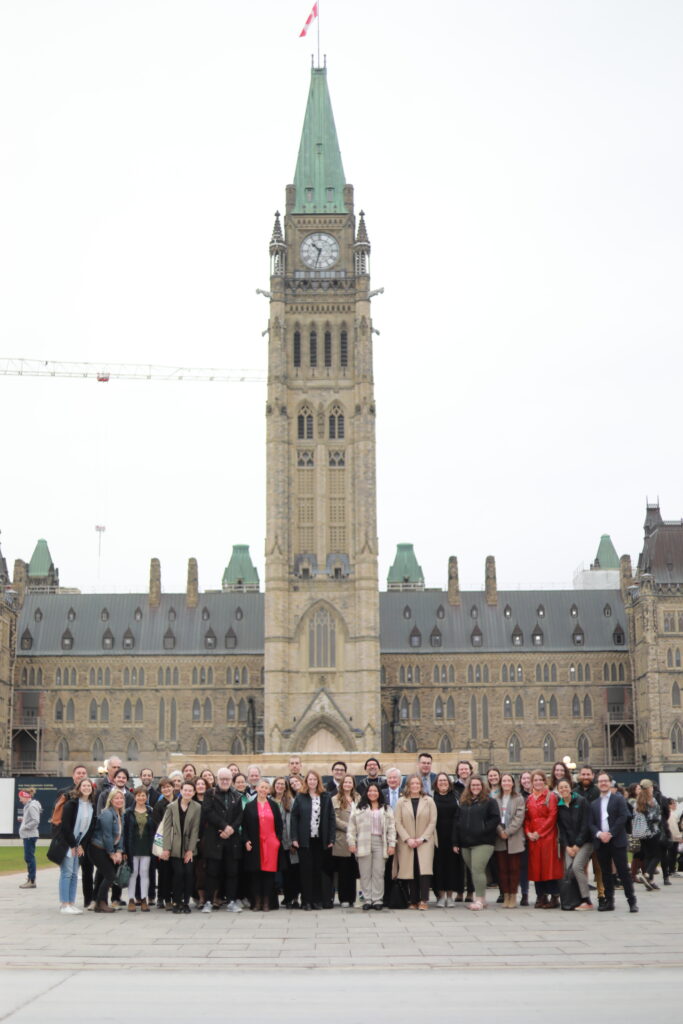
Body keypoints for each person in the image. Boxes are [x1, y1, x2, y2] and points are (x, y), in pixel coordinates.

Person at [588, 770, 638, 913]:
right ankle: (609, 901)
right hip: (601, 842)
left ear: (610, 783)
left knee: (623, 872)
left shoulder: (618, 799)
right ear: (597, 784)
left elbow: (623, 817)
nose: (603, 783)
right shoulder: (594, 804)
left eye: (605, 781)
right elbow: (590, 823)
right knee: (605, 873)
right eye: (600, 781)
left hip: (616, 841)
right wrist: (599, 834)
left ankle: (632, 901)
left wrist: (610, 833)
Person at [452, 775, 500, 911]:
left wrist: (483, 830)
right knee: (474, 870)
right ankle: (483, 899)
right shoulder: (464, 802)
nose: (475, 787)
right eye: (473, 785)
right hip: (466, 843)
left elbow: (495, 819)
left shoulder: (490, 801)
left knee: (478, 869)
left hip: (483, 842)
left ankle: (478, 899)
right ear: (469, 787)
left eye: (478, 785)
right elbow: (457, 822)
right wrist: (455, 842)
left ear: (482, 786)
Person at [290, 770, 335, 910]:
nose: (312, 782)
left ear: (318, 781)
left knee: (317, 871)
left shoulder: (326, 797)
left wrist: (331, 838)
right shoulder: (300, 797)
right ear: (306, 781)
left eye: (315, 779)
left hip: (320, 840)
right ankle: (306, 900)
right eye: (310, 779)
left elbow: (331, 818)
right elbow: (294, 818)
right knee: (305, 871)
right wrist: (294, 838)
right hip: (305, 840)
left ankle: (317, 900)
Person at [347, 782, 395, 911]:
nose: (372, 793)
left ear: (379, 793)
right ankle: (367, 899)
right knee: (365, 873)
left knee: (379, 872)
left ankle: (377, 899)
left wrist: (392, 844)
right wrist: (351, 843)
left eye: (375, 791)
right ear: (366, 793)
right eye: (370, 791)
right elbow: (351, 828)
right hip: (363, 842)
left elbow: (391, 828)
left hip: (380, 842)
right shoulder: (358, 808)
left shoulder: (386, 808)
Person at [202, 768, 243, 913]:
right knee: (212, 872)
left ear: (231, 780)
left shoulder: (237, 795)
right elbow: (208, 812)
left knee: (232, 872)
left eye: (227, 779)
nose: (225, 781)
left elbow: (240, 815)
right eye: (222, 779)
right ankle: (208, 901)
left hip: (232, 840)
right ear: (217, 779)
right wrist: (224, 826)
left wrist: (232, 828)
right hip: (215, 838)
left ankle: (231, 901)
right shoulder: (210, 794)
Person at [394, 773, 437, 910]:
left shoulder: (428, 800)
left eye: (417, 784)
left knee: (423, 870)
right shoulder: (401, 801)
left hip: (425, 840)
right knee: (410, 870)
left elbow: (433, 821)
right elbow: (397, 822)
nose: (415, 786)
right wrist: (407, 839)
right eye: (412, 784)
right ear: (408, 785)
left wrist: (422, 838)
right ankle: (413, 900)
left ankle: (423, 900)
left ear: (421, 785)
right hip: (407, 841)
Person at [160, 780, 201, 913]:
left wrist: (190, 850)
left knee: (189, 874)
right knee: (178, 874)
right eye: (185, 790)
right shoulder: (171, 807)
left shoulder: (197, 807)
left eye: (190, 790)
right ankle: (176, 901)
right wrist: (166, 848)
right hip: (175, 847)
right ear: (181, 791)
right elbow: (166, 829)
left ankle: (186, 902)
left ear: (194, 793)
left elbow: (195, 829)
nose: (188, 792)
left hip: (188, 846)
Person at [242, 778, 283, 911]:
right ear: (257, 788)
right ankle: (257, 901)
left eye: (266, 788)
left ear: (269, 790)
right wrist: (246, 840)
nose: (263, 790)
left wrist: (277, 841)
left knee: (268, 874)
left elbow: (279, 826)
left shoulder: (274, 805)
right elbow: (245, 826)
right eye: (261, 787)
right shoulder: (249, 806)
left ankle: (267, 902)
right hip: (255, 843)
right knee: (255, 874)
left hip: (271, 844)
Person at [524, 770, 563, 908]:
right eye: (535, 780)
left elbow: (552, 817)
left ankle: (554, 896)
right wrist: (528, 832)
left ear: (544, 781)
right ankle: (541, 896)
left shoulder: (550, 796)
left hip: (548, 837)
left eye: (540, 780)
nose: (538, 782)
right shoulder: (529, 798)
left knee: (549, 867)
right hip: (533, 838)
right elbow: (527, 818)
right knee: (536, 868)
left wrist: (539, 833)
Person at [57, 777, 97, 913]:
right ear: (79, 788)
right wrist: (73, 845)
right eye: (84, 785)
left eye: (89, 786)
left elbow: (90, 829)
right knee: (67, 873)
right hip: (68, 843)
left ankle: (71, 903)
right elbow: (65, 827)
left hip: (79, 843)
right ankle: (64, 904)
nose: (87, 788)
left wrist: (81, 846)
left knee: (74, 874)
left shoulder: (92, 806)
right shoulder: (71, 804)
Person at [556, 778, 593, 910]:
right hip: (569, 845)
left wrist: (577, 845)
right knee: (568, 872)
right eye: (561, 788)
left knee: (577, 867)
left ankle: (586, 900)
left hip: (585, 842)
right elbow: (562, 830)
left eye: (566, 787)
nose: (564, 789)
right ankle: (574, 899)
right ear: (558, 790)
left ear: (570, 788)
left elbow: (586, 825)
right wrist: (566, 846)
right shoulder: (559, 806)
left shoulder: (581, 801)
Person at [89, 788, 125, 912]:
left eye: (121, 798)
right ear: (111, 800)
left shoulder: (120, 814)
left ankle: (100, 904)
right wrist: (111, 853)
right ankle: (100, 902)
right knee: (110, 875)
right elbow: (107, 835)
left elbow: (121, 835)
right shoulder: (107, 813)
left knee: (103, 875)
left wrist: (119, 851)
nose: (119, 800)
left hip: (108, 849)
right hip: (97, 848)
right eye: (116, 798)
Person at [494, 773, 526, 908]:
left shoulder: (518, 798)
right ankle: (506, 894)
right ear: (501, 783)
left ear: (513, 783)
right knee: (502, 869)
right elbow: (494, 817)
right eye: (504, 781)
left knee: (514, 869)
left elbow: (519, 818)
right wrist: (500, 831)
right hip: (500, 837)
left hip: (514, 837)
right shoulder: (496, 799)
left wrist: (508, 831)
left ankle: (513, 895)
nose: (506, 783)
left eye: (509, 781)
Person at [123, 785, 155, 911]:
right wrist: (124, 850)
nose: (141, 798)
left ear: (146, 797)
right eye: (138, 795)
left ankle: (143, 898)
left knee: (144, 872)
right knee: (133, 873)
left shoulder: (151, 811)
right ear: (134, 797)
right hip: (133, 847)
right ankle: (131, 899)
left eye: (143, 795)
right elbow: (125, 833)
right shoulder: (128, 812)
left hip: (147, 847)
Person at [331, 773, 358, 907]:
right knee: (343, 871)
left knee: (354, 870)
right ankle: (344, 898)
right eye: (345, 782)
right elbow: (334, 818)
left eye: (350, 782)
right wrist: (349, 827)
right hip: (342, 839)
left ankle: (353, 898)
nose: (347, 784)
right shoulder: (335, 799)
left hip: (358, 839)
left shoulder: (358, 797)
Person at [272, 777, 299, 908]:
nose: (280, 786)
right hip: (273, 841)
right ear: (274, 785)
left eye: (283, 784)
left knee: (290, 871)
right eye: (278, 784)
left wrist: (294, 840)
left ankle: (292, 898)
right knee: (276, 871)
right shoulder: (269, 800)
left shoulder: (291, 801)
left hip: (287, 841)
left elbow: (294, 821)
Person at [432, 772, 459, 907]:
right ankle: (441, 896)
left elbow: (458, 817)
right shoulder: (432, 797)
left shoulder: (456, 796)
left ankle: (450, 896)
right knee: (439, 867)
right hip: (437, 837)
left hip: (452, 837)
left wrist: (456, 840)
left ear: (449, 783)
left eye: (445, 781)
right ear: (436, 783)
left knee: (452, 867)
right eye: (440, 781)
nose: (443, 783)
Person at [633, 779, 662, 891]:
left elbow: (635, 815)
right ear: (649, 788)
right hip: (652, 832)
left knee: (648, 855)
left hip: (641, 832)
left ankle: (650, 881)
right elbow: (656, 817)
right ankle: (648, 874)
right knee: (657, 855)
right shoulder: (652, 800)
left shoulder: (638, 800)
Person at [152, 777, 174, 909]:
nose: (166, 789)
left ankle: (173, 896)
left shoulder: (179, 801)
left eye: (168, 786)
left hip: (177, 841)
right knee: (164, 872)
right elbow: (157, 826)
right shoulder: (159, 806)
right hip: (164, 841)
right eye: (163, 787)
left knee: (174, 871)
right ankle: (164, 898)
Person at [17, 788, 42, 890]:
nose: (20, 800)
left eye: (20, 797)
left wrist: (25, 826)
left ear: (25, 796)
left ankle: (32, 881)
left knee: (29, 858)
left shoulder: (31, 806)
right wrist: (24, 821)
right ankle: (30, 879)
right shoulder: (29, 806)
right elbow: (32, 819)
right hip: (28, 835)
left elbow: (36, 821)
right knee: (28, 857)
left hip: (29, 835)